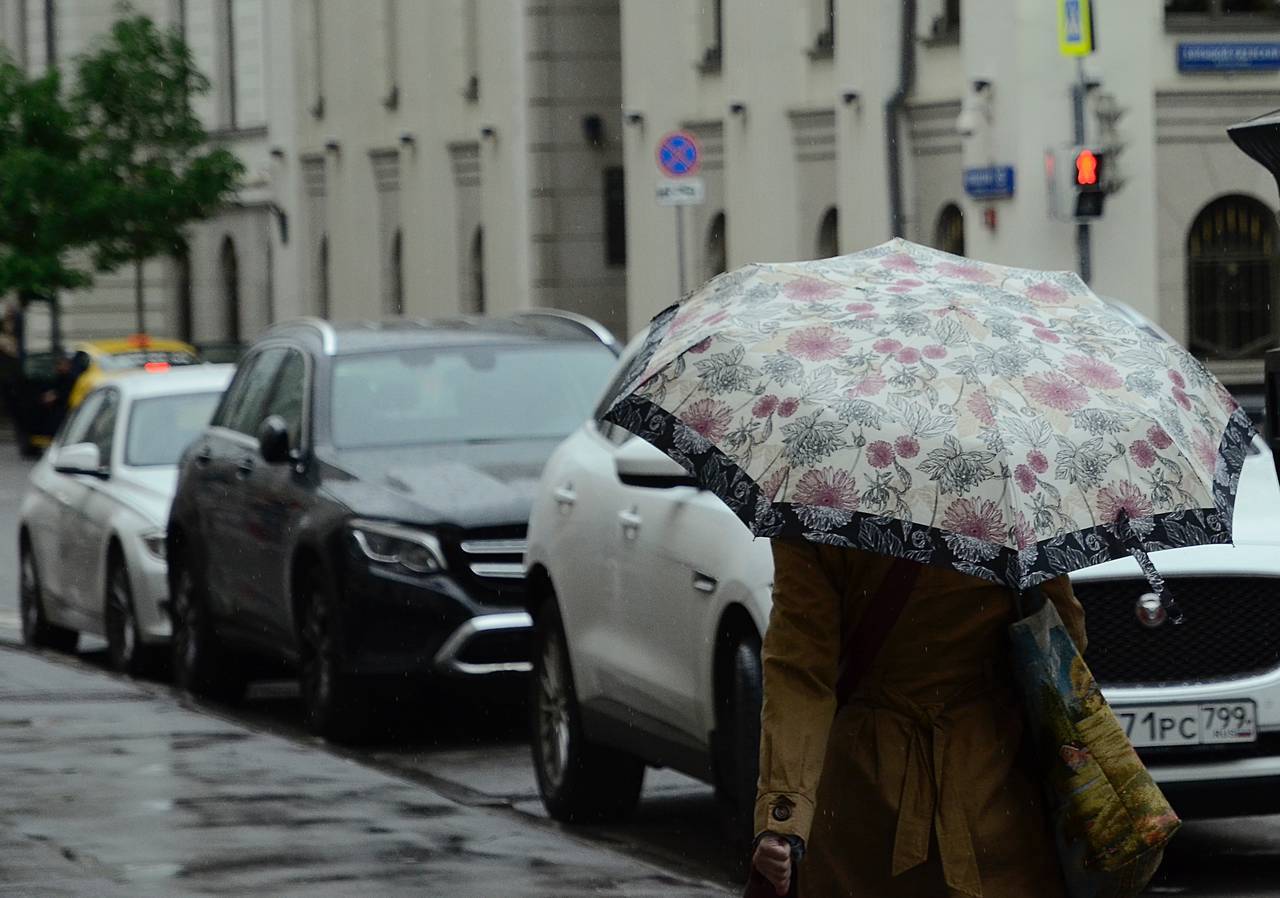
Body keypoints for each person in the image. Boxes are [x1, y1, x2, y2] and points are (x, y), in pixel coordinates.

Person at [750, 539, 1087, 897]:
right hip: (996, 786)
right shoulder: (1012, 506)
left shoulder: (816, 506)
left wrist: (783, 813)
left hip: (864, 800)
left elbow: (800, 674)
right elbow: (1065, 638)